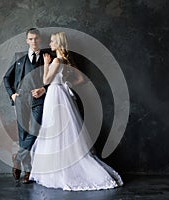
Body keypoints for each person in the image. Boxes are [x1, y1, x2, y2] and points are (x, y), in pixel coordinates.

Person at [29, 32, 123, 191]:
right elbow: (80, 79)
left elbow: (46, 81)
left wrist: (46, 64)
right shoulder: (67, 60)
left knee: (56, 131)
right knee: (65, 131)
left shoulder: (57, 60)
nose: (50, 44)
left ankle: (60, 167)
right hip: (62, 95)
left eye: (52, 41)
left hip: (55, 96)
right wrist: (65, 84)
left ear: (58, 43)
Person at [4, 28, 46, 184]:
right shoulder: (19, 57)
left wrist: (44, 89)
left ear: (40, 39)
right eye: (31, 39)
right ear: (27, 40)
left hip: (38, 100)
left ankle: (18, 157)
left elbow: (53, 79)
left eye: (36, 38)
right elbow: (6, 78)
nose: (34, 41)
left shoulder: (47, 57)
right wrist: (12, 94)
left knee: (35, 130)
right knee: (23, 134)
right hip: (21, 98)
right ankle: (28, 171)